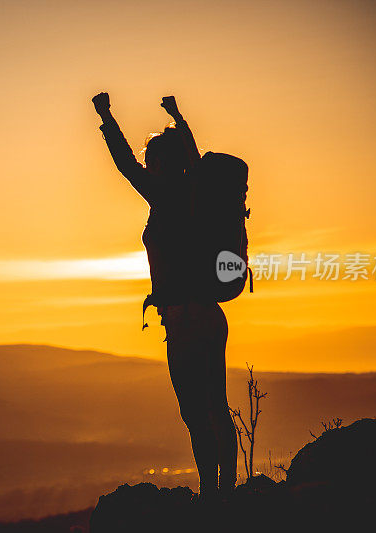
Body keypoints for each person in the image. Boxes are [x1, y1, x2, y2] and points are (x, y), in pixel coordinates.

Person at [92, 92, 237, 498]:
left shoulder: (164, 196)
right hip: (210, 314)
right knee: (215, 407)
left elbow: (124, 165)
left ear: (163, 163)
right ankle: (225, 489)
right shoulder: (199, 195)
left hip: (184, 319)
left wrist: (106, 116)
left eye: (153, 159)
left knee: (194, 411)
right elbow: (195, 160)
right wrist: (180, 119)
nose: (148, 166)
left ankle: (213, 494)